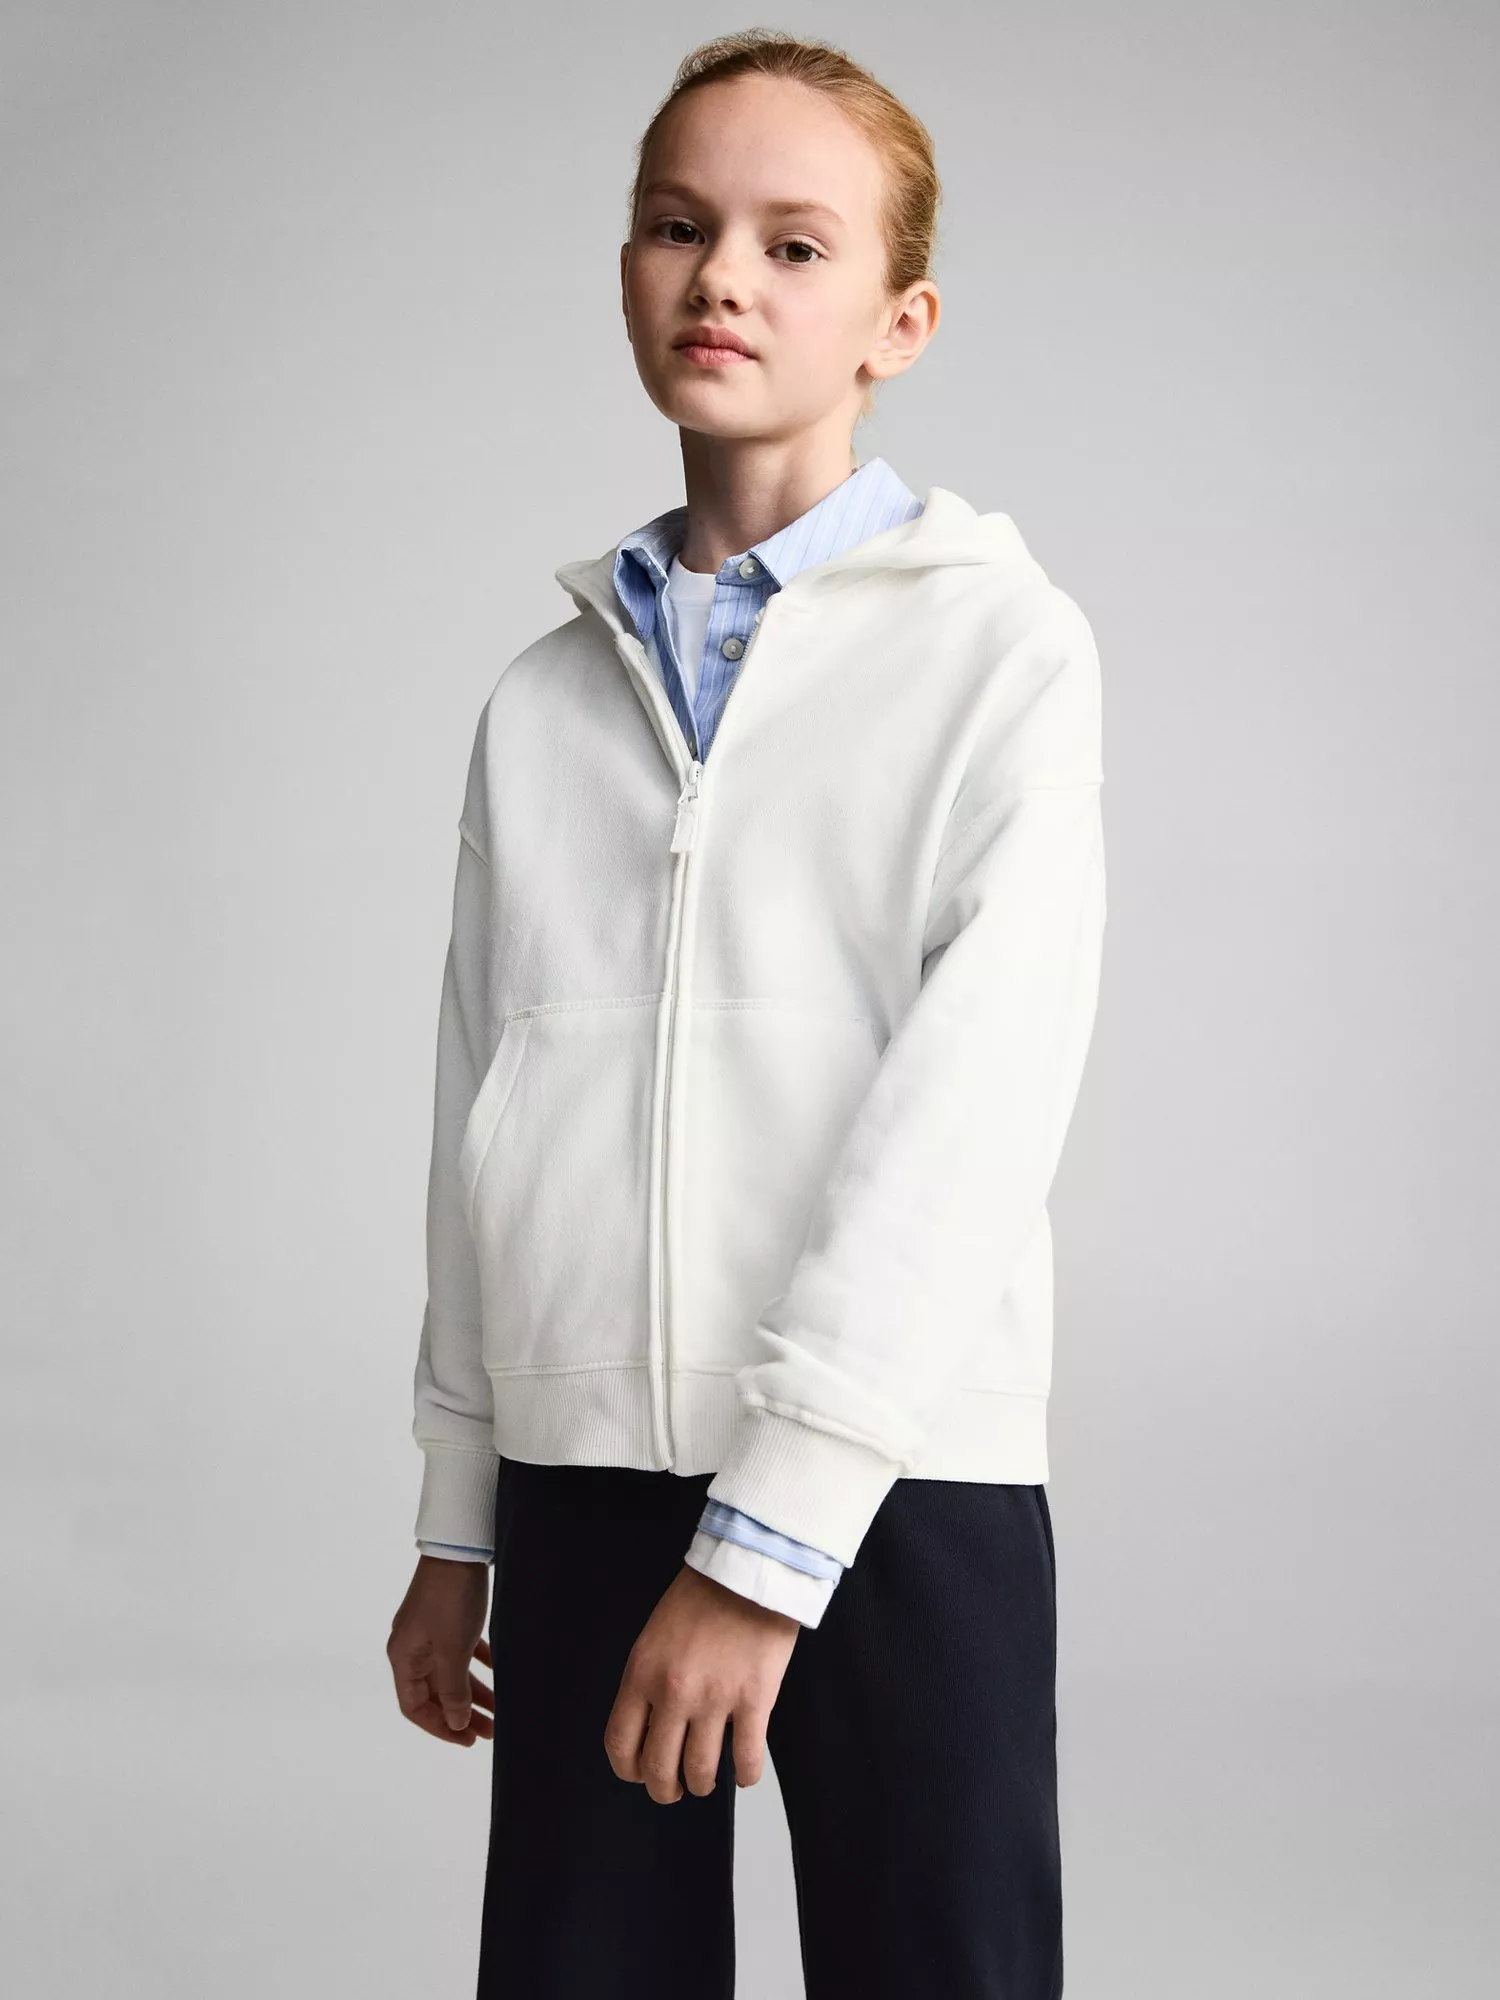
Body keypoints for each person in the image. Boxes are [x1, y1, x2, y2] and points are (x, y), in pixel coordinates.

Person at [385, 29, 1106, 2000]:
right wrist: (463, 1510)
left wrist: (767, 1543)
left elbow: (973, 1112)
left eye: (796, 245)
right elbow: (482, 1101)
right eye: (676, 227)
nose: (722, 278)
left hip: (897, 1474)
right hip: (583, 1467)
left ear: (899, 321)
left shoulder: (1002, 652)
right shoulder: (543, 702)